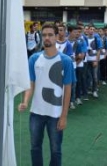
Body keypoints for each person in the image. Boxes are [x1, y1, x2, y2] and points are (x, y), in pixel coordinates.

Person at [18, 23, 74, 166]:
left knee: (56, 150)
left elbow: (68, 89)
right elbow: (31, 83)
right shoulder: (34, 59)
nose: (47, 38)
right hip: (36, 113)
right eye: (44, 35)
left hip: (56, 114)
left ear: (57, 36)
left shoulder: (66, 61)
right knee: (35, 147)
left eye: (50, 35)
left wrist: (64, 116)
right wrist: (25, 101)